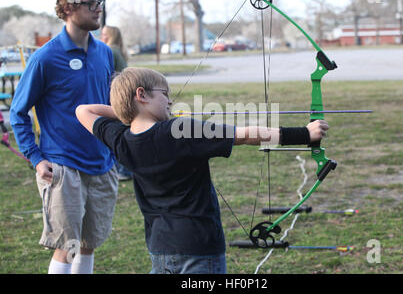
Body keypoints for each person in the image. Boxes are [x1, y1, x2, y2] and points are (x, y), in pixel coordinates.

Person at [75, 67, 330, 274]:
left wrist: (126, 116)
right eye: (164, 93)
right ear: (142, 95)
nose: (170, 100)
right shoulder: (180, 130)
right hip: (198, 248)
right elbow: (243, 136)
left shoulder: (120, 139)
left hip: (160, 248)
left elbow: (83, 110)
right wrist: (305, 134)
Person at [10, 0, 118, 274]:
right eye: (91, 3)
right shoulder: (45, 58)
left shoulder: (104, 52)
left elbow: (108, 106)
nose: (99, 10)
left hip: (101, 163)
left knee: (88, 243)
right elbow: (18, 113)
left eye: (100, 3)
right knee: (67, 246)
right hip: (63, 166)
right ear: (69, 8)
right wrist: (36, 158)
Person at [100, 25, 132, 180]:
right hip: (120, 96)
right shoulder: (117, 50)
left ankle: (124, 171)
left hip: (116, 98)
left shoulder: (111, 51)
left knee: (116, 134)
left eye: (104, 34)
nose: (101, 36)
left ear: (111, 36)